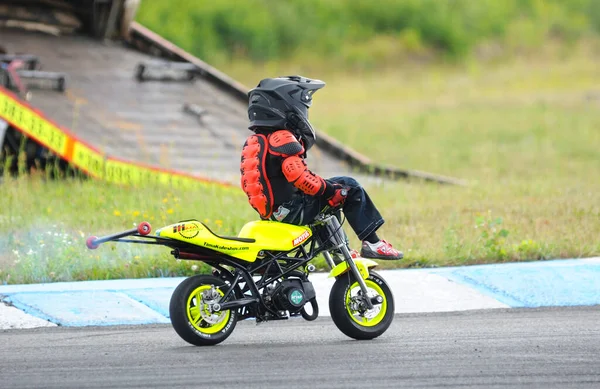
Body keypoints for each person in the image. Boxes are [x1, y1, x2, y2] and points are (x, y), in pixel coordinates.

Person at [240, 76, 403, 260]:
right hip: (294, 212)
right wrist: (329, 189)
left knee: (324, 205)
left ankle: (341, 254)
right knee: (349, 187)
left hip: (274, 214)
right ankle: (372, 243)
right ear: (287, 107)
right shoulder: (282, 139)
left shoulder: (256, 142)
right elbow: (298, 176)